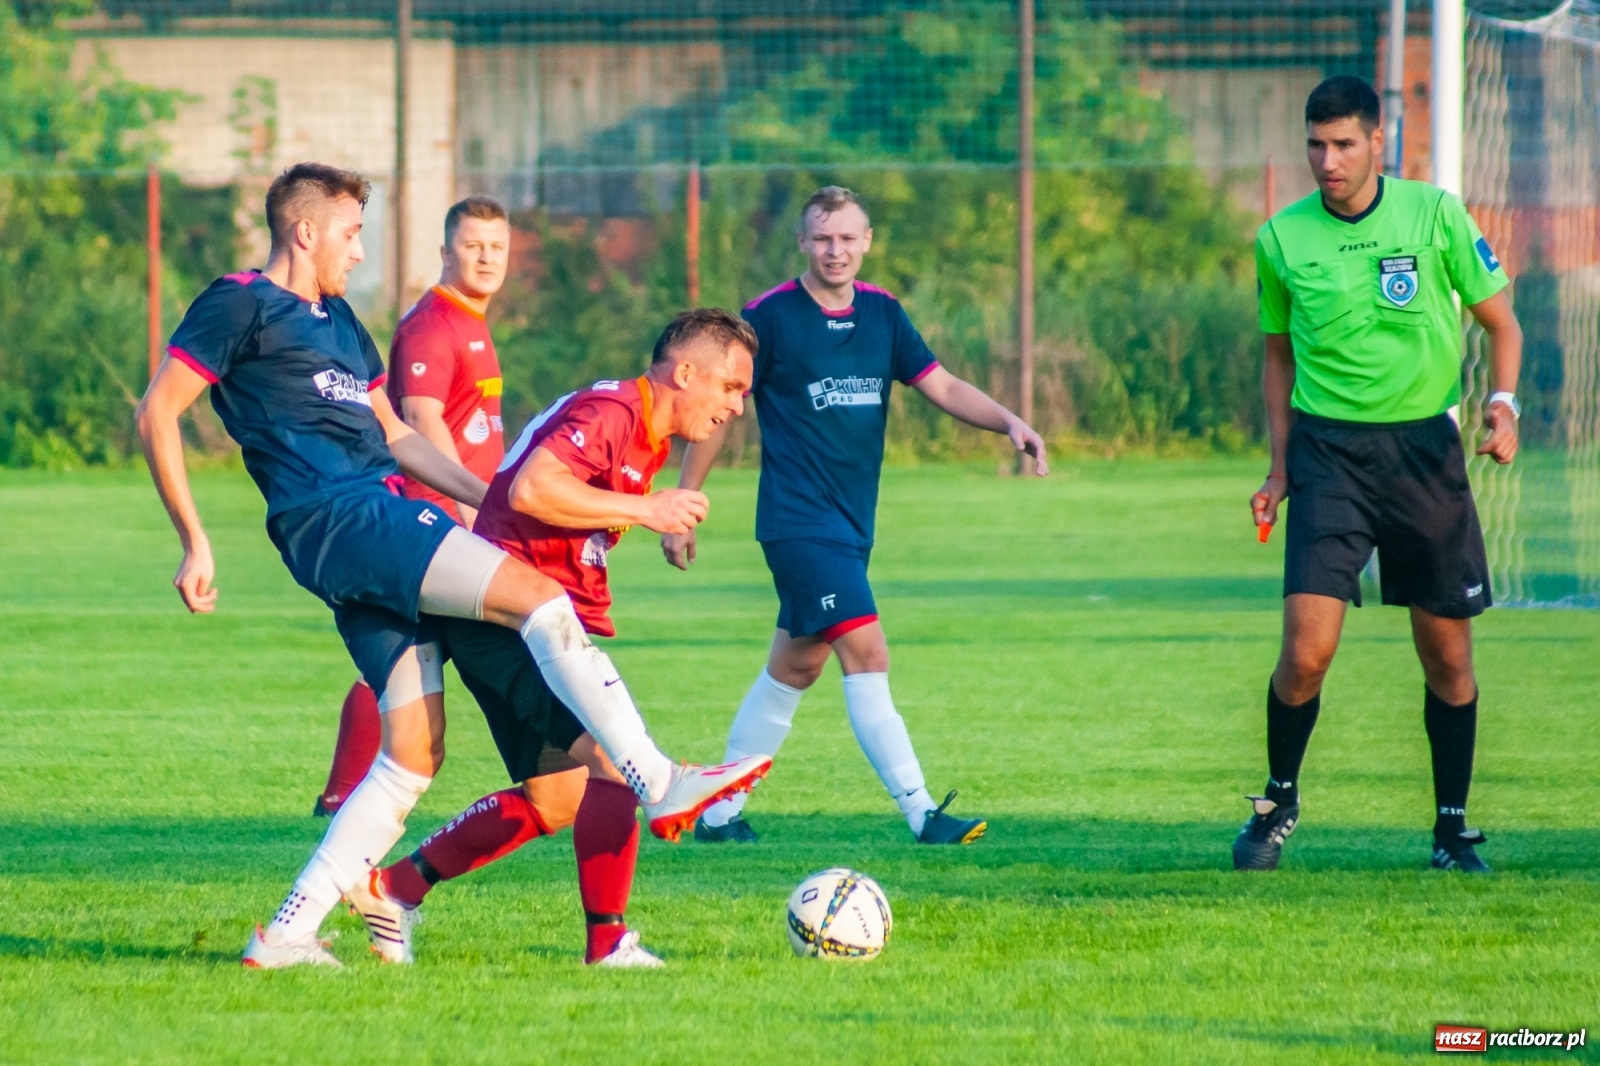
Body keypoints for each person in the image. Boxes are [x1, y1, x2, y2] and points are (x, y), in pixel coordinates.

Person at [134, 162, 770, 970]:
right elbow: (157, 412)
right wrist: (194, 539)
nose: (359, 252)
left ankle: (288, 931)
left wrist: (488, 494)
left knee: (412, 754)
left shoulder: (341, 323)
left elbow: (397, 436)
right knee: (539, 598)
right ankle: (657, 779)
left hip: (369, 526)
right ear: (305, 230)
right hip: (344, 516)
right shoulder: (239, 302)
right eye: (351, 234)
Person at [345, 309, 761, 968]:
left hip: (525, 621)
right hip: (504, 617)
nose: (737, 406)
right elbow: (534, 488)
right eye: (731, 387)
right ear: (685, 373)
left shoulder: (645, 433)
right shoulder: (614, 413)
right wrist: (647, 509)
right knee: (616, 761)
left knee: (558, 798)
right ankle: (608, 943)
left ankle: (394, 888)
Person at [665, 185, 1049, 846]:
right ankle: (923, 813)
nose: (834, 250)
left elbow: (941, 384)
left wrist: (1007, 421)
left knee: (796, 667)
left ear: (867, 242)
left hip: (850, 527)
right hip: (797, 523)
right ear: (802, 243)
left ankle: (717, 815)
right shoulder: (769, 318)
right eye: (822, 237)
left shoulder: (883, 313)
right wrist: (683, 506)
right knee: (867, 651)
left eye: (846, 237)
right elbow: (720, 411)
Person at [1238, 76, 1523, 874]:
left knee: (1448, 660)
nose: (1327, 161)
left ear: (1377, 142)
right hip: (1327, 455)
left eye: (1343, 145)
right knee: (1306, 653)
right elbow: (1277, 357)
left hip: (1424, 454)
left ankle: (1451, 831)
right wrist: (1278, 467)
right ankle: (1277, 804)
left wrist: (1503, 406)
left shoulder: (1434, 215)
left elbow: (1501, 323)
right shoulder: (1281, 239)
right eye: (1315, 146)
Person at [312, 196, 571, 820]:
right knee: (438, 651)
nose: (486, 258)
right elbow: (421, 420)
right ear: (445, 251)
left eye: (497, 247)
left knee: (418, 655)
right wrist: (470, 514)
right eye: (473, 246)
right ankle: (565, 777)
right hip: (436, 515)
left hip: (464, 515)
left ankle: (342, 794)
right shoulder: (433, 324)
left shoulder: (470, 321)